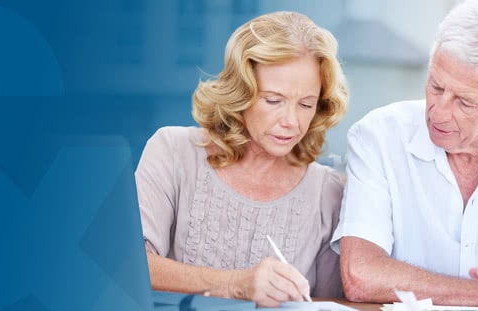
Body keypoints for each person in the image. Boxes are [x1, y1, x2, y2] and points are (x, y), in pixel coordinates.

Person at [135, 11, 348, 307]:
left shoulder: (327, 193)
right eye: (274, 100)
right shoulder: (173, 151)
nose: (292, 121)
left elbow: (326, 303)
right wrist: (236, 284)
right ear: (240, 94)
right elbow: (130, 265)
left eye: (306, 104)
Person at [332, 0, 478, 306]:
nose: (438, 113)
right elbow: (361, 276)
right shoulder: (379, 137)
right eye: (436, 86)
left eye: (464, 101)